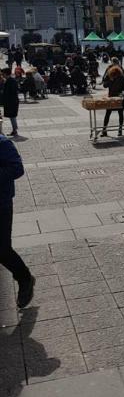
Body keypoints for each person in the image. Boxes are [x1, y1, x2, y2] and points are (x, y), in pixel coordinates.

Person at [0, 132, 35, 308]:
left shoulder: (3, 143)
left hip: (1, 203)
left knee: (2, 249)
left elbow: (17, 168)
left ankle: (25, 278)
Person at [100, 59, 124, 137]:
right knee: (108, 113)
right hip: (111, 97)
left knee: (120, 113)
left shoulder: (122, 77)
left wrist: (122, 92)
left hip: (119, 97)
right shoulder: (109, 76)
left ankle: (120, 130)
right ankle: (104, 130)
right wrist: (110, 81)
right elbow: (104, 85)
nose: (114, 77)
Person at [1, 68, 20, 136]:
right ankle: (14, 130)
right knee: (12, 116)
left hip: (11, 101)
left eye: (3, 74)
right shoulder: (10, 80)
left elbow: (11, 92)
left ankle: (15, 130)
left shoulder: (10, 81)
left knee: (12, 116)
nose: (2, 75)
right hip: (12, 101)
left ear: (6, 74)